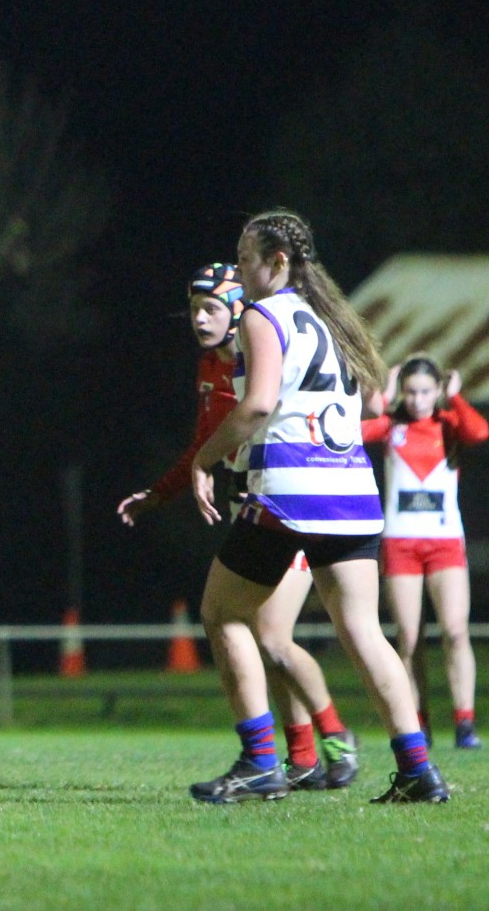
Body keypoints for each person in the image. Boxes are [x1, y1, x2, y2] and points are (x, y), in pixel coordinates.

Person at [187, 210, 446, 804]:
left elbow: (256, 406)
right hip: (352, 492)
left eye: (246, 258)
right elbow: (365, 403)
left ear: (276, 263)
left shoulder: (264, 314)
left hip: (291, 492)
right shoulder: (330, 318)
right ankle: (417, 770)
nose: (241, 270)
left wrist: (205, 458)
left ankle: (259, 761)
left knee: (222, 612)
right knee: (363, 630)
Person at [115, 264, 358, 788]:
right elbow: (204, 444)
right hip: (253, 511)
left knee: (268, 635)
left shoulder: (263, 355)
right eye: (194, 309)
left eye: (210, 308)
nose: (199, 319)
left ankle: (333, 743)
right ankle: (303, 758)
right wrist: (160, 493)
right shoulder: (210, 367)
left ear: (238, 309)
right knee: (260, 634)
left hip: (289, 508)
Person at [365, 356, 489, 749]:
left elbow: (479, 432)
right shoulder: (392, 426)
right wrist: (383, 394)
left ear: (437, 391)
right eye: (411, 391)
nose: (418, 400)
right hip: (401, 544)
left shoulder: (448, 424)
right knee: (410, 638)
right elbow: (357, 431)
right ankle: (417, 723)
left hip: (445, 542)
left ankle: (465, 723)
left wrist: (456, 398)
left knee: (454, 631)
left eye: (426, 392)